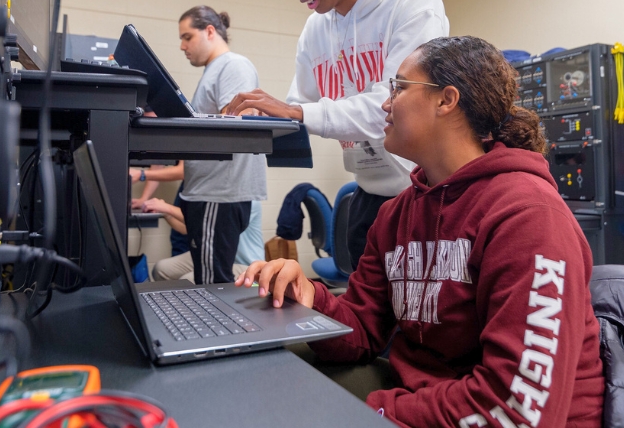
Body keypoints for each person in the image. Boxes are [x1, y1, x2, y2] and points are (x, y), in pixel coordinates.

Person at [236, 37, 604, 427]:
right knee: (269, 381)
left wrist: (376, 412)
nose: (385, 102)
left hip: (506, 415)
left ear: (446, 100)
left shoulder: (528, 215)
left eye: (398, 87)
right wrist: (310, 299)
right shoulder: (397, 214)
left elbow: (518, 408)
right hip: (425, 398)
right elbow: (362, 332)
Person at [226, 0, 449, 270]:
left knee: (420, 321)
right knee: (366, 317)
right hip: (369, 193)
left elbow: (397, 106)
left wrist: (296, 112)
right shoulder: (316, 30)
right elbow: (301, 106)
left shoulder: (412, 0)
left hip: (426, 196)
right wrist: (258, 120)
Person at [176, 6, 266, 284]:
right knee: (211, 279)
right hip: (210, 192)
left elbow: (239, 119)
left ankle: (217, 329)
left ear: (210, 32)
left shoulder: (232, 65)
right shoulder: (214, 71)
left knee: (212, 283)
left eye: (187, 37)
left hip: (218, 193)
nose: (182, 46)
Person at [145, 197, 264, 282]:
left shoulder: (247, 200)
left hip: (246, 265)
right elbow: (189, 228)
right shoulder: (211, 194)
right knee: (161, 269)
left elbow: (216, 225)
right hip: (214, 254)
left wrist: (167, 207)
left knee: (187, 281)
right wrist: (167, 214)